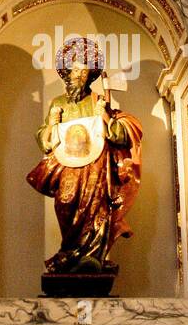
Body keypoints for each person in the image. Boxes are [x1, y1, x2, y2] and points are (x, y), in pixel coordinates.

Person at [26, 36, 142, 276]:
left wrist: (105, 116)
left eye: (84, 72)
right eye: (76, 71)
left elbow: (118, 137)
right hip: (67, 167)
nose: (79, 76)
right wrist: (53, 124)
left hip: (96, 168)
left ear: (90, 76)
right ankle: (70, 253)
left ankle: (92, 257)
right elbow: (45, 141)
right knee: (66, 204)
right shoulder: (58, 103)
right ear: (67, 73)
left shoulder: (98, 101)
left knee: (97, 210)